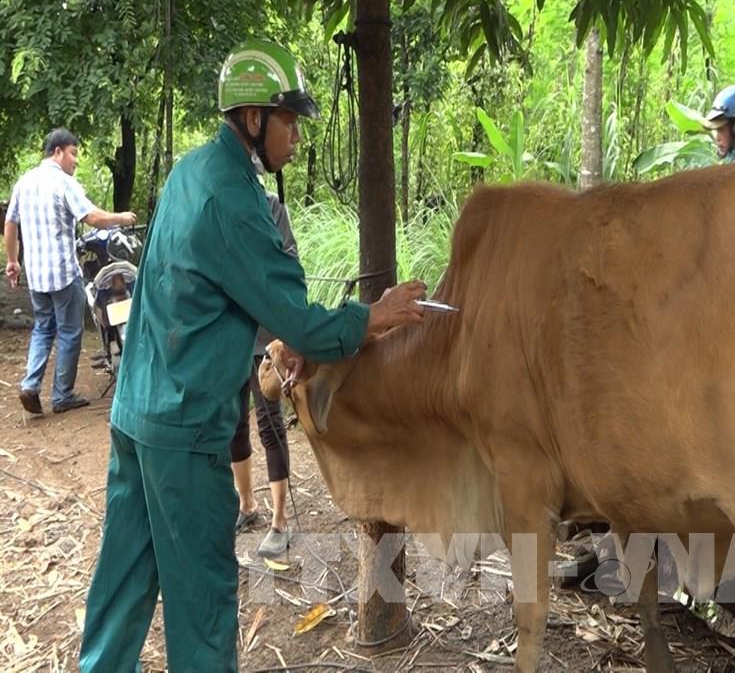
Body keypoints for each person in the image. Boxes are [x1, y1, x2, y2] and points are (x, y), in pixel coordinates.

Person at [78, 38, 426, 673]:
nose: (296, 136)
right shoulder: (235, 199)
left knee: (124, 580)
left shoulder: (191, 172)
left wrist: (279, 331)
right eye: (288, 120)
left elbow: (196, 286)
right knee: (205, 601)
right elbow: (297, 316)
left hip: (137, 413)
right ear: (252, 118)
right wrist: (374, 316)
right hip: (184, 429)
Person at [3, 128, 136, 415]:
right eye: (74, 153)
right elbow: (92, 217)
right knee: (69, 331)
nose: (76, 161)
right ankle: (62, 395)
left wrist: (13, 261)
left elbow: (10, 224)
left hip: (36, 276)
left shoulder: (24, 182)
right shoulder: (63, 183)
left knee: (42, 327)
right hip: (62, 273)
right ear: (58, 151)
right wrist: (122, 217)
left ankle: (30, 385)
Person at [232, 191, 296, 559]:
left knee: (269, 423)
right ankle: (246, 506)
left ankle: (280, 520)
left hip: (265, 337)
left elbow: (289, 264)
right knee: (234, 423)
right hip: (230, 336)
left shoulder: (272, 208)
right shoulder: (220, 205)